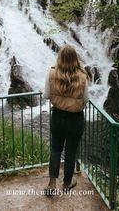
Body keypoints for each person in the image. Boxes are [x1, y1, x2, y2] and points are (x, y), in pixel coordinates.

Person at [43, 44, 90, 196]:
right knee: (70, 153)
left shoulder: (51, 73)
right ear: (75, 59)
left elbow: (47, 95)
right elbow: (86, 99)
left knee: (56, 150)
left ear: (60, 58)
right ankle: (66, 183)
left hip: (57, 116)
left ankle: (51, 183)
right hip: (75, 118)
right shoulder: (83, 76)